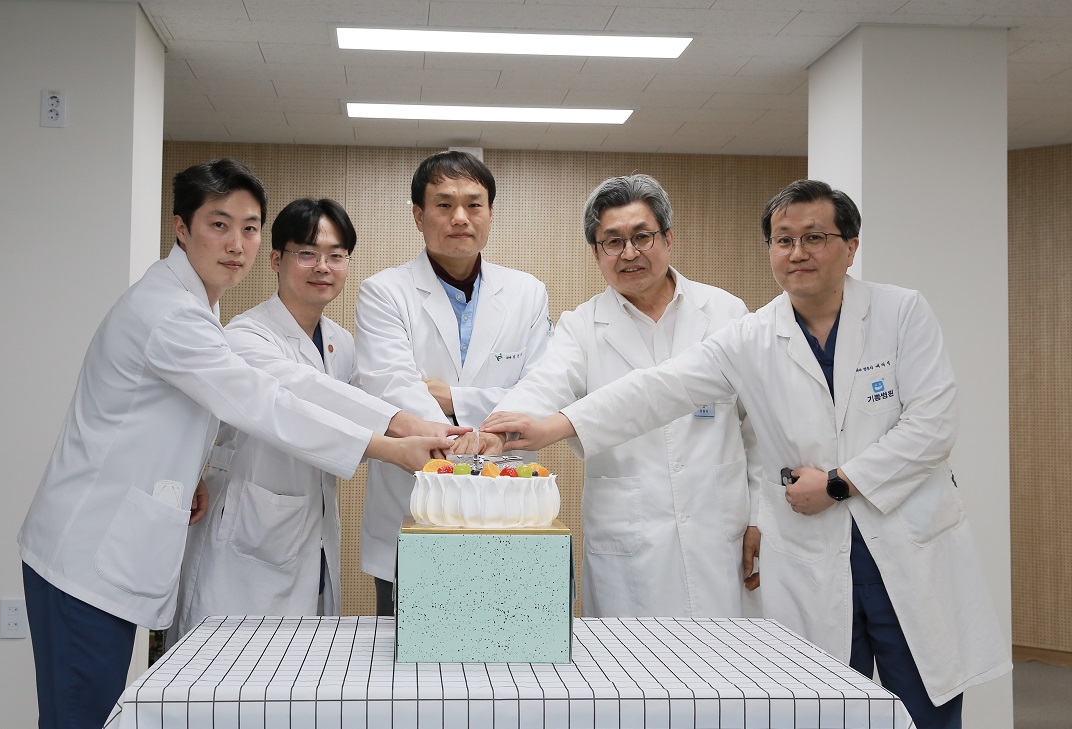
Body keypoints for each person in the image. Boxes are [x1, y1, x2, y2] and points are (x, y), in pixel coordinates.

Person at [484, 180, 1010, 728]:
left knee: (925, 702)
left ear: (851, 245)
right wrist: (547, 426)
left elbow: (931, 426)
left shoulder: (899, 312)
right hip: (810, 546)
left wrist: (837, 482)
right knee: (829, 703)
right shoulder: (752, 334)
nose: (798, 252)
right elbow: (657, 390)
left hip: (899, 536)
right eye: (783, 240)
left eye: (814, 237)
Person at [17, 159, 456, 729]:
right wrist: (392, 442)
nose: (235, 243)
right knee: (87, 713)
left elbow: (214, 409)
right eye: (218, 225)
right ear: (182, 228)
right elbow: (267, 401)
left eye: (249, 227)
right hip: (87, 549)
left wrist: (196, 470)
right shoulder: (175, 315)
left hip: (126, 540)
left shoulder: (198, 305)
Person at [478, 174, 760, 618]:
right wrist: (497, 430)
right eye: (613, 242)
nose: (629, 253)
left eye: (642, 237)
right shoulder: (581, 326)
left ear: (668, 238)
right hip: (630, 545)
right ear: (596, 253)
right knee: (629, 660)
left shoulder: (727, 313)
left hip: (720, 533)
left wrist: (760, 514)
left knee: (724, 657)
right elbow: (545, 383)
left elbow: (757, 428)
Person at [172, 198, 391, 638]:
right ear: (276, 260)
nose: (322, 267)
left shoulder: (342, 343)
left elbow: (356, 416)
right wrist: (399, 440)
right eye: (307, 253)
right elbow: (305, 406)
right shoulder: (244, 337)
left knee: (302, 669)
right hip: (247, 532)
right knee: (228, 664)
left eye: (336, 256)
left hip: (311, 531)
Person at [356, 150, 553, 616]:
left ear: (490, 213)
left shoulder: (527, 292)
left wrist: (453, 398)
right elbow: (393, 388)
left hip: (507, 506)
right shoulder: (384, 292)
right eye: (444, 205)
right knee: (412, 653)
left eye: (473, 204)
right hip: (413, 504)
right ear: (418, 216)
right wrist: (478, 427)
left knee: (509, 644)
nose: (460, 217)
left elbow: (540, 389)